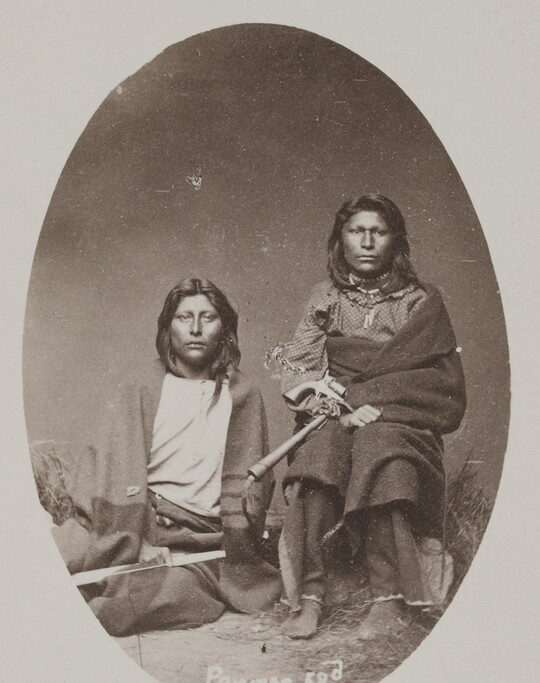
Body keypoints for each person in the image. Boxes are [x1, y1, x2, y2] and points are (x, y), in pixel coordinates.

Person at [275, 195, 466, 640]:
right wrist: (342, 410)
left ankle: (389, 596)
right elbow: (299, 368)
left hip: (401, 418)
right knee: (320, 453)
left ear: (394, 240)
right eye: (355, 231)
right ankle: (310, 593)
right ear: (339, 239)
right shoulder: (326, 298)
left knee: (382, 450)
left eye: (378, 232)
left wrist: (373, 402)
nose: (366, 242)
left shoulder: (420, 301)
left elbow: (439, 383)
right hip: (338, 413)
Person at [52, 278, 281, 636]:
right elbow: (110, 470)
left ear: (224, 329)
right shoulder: (141, 386)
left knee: (153, 597)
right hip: (129, 523)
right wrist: (139, 539)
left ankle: (72, 622)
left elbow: (253, 488)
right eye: (184, 317)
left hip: (197, 540)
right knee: (47, 559)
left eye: (208, 318)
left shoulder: (243, 395)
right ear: (167, 327)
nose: (195, 328)